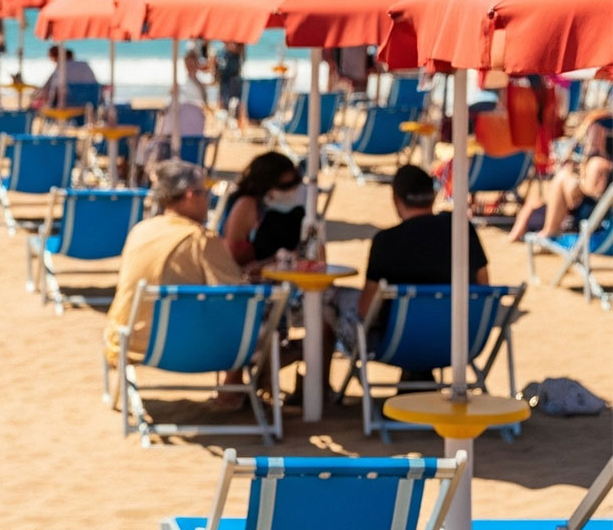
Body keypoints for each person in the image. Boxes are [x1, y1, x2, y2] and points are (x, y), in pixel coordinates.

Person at [328, 162, 489, 359]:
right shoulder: (462, 229)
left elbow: (366, 310)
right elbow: (483, 284)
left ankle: (319, 385)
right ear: (433, 195)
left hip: (396, 344)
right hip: (459, 340)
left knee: (328, 305)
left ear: (396, 199)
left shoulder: (387, 242)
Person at [104, 159, 245, 372]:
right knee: (253, 326)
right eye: (206, 193)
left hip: (127, 341)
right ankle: (235, 393)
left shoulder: (140, 230)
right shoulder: (200, 239)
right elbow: (236, 296)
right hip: (190, 348)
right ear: (190, 195)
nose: (209, 199)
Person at [507, 111, 611, 245]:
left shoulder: (598, 165)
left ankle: (548, 232)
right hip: (588, 218)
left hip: (586, 220)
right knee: (535, 202)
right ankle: (545, 232)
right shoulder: (598, 164)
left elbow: (575, 196)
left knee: (559, 181)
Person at [221, 150, 307, 270]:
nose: (292, 190)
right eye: (285, 186)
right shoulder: (247, 205)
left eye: (295, 183)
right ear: (266, 186)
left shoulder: (298, 210)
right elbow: (229, 256)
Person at [34, 46, 99, 108]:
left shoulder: (62, 68)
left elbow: (48, 89)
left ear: (55, 57)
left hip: (70, 104)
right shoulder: (84, 64)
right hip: (92, 102)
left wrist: (47, 103)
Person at [214, 41, 246, 120]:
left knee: (234, 104)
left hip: (232, 82)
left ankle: (235, 120)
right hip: (225, 82)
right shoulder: (222, 53)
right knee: (225, 105)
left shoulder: (235, 55)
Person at [183, 40, 213, 108]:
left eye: (193, 64)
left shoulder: (199, 83)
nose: (192, 66)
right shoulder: (184, 83)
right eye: (190, 64)